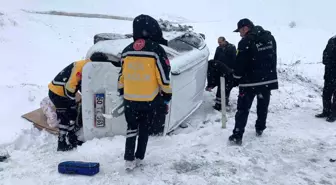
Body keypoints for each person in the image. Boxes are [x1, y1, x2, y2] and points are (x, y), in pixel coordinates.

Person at [117, 14, 172, 170]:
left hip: (129, 99)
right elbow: (163, 76)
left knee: (131, 127)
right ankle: (139, 157)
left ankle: (128, 159)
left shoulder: (126, 50)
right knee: (144, 128)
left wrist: (122, 91)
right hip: (149, 99)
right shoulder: (156, 50)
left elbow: (122, 75)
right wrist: (167, 95)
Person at [229, 18, 278, 145]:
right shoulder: (270, 38)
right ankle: (260, 128)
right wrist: (269, 75)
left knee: (243, 110)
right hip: (267, 80)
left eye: (240, 31)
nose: (240, 34)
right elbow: (273, 57)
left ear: (245, 28)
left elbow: (240, 63)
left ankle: (237, 135)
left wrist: (236, 77)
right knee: (263, 107)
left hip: (249, 82)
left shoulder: (245, 41)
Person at [48, 52, 111, 151]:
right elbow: (71, 85)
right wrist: (72, 101)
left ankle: (72, 138)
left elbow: (83, 84)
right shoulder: (82, 67)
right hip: (57, 92)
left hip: (64, 92)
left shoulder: (88, 66)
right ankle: (61, 143)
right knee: (65, 117)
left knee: (72, 115)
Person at [206, 37, 237, 110]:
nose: (219, 44)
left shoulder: (231, 47)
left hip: (228, 70)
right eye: (218, 42)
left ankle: (224, 101)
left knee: (226, 86)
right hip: (219, 69)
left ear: (224, 41)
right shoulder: (218, 48)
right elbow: (215, 58)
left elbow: (234, 58)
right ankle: (219, 102)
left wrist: (232, 69)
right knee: (220, 85)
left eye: (220, 42)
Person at [315, 35, 336, 122]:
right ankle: (326, 111)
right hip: (329, 73)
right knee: (326, 93)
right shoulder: (332, 40)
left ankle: (334, 114)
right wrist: (327, 61)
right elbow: (325, 54)